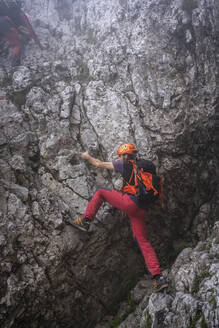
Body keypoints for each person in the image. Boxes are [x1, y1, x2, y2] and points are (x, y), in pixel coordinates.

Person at [72, 143, 168, 292]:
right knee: (143, 241)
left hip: (130, 203)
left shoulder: (124, 165)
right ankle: (158, 278)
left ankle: (86, 221)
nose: (119, 158)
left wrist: (86, 156)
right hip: (142, 210)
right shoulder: (148, 165)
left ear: (125, 155)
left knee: (101, 192)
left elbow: (98, 163)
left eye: (121, 155)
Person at [0, 0, 42, 66]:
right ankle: (15, 66)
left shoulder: (4, 8)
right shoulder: (19, 13)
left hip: (3, 26)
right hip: (6, 25)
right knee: (16, 45)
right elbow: (29, 28)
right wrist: (38, 43)